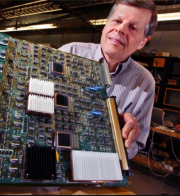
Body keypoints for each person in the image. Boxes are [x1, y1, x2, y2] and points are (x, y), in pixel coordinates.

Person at [58, 0, 157, 159]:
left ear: (143, 42)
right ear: (106, 25)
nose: (120, 29)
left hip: (100, 174)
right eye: (117, 21)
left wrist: (121, 136)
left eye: (133, 27)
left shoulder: (145, 83)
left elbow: (135, 146)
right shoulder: (69, 53)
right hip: (52, 165)